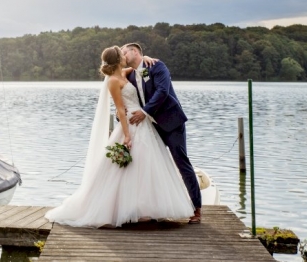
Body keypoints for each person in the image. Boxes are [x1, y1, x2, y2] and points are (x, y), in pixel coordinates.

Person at [44, 46, 194, 228]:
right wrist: (127, 135)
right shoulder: (113, 81)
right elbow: (121, 110)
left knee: (146, 165)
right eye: (122, 54)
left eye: (126, 52)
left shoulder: (125, 72)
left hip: (144, 123)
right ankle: (124, 210)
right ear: (118, 59)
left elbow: (140, 68)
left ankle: (145, 209)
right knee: (129, 168)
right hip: (130, 124)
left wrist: (145, 56)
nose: (125, 56)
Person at [121, 42, 203, 224]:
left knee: (182, 163)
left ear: (135, 51)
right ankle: (152, 209)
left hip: (171, 123)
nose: (122, 56)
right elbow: (128, 99)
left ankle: (197, 208)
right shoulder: (131, 75)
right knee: (150, 166)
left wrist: (144, 112)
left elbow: (163, 91)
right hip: (150, 128)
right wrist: (123, 118)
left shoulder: (157, 66)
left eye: (124, 52)